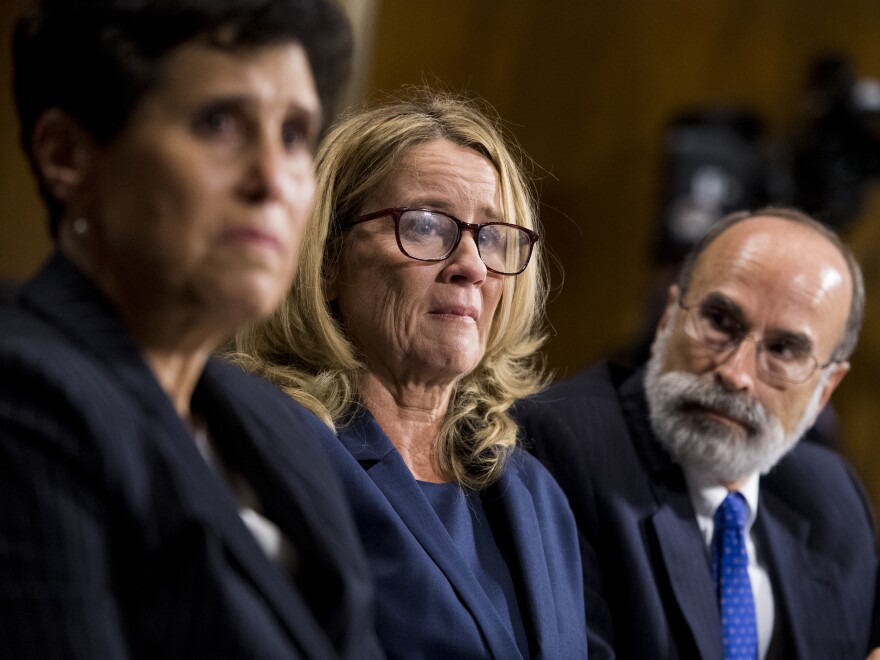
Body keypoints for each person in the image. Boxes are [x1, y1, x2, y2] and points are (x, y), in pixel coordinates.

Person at [0, 0, 381, 657]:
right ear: (68, 157)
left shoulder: (276, 422)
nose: (272, 180)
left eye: (294, 135)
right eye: (220, 123)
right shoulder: (23, 394)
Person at [235, 89, 588, 659]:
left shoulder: (538, 495)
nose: (471, 266)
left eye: (494, 237)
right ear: (327, 259)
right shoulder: (279, 451)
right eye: (426, 225)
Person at [516, 208, 880, 659]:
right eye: (720, 322)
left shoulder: (832, 496)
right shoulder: (562, 445)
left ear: (826, 388)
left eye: (784, 350)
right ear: (669, 317)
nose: (735, 373)